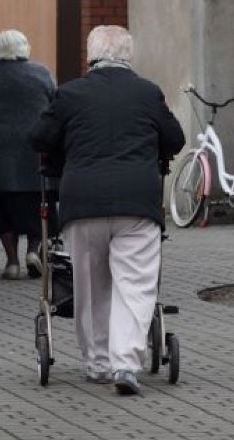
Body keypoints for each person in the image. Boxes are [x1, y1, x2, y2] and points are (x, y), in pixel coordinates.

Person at [29, 25, 185, 395]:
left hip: (82, 204)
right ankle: (126, 365)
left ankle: (98, 363)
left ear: (91, 56)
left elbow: (38, 138)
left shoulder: (70, 94)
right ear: (129, 56)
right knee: (134, 287)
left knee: (90, 285)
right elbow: (175, 139)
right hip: (137, 205)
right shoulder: (148, 92)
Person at [0, 30, 56, 280]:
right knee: (39, 200)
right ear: (24, 47)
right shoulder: (42, 73)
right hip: (34, 147)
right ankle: (33, 251)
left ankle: (12, 263)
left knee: (0, 204)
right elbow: (55, 108)